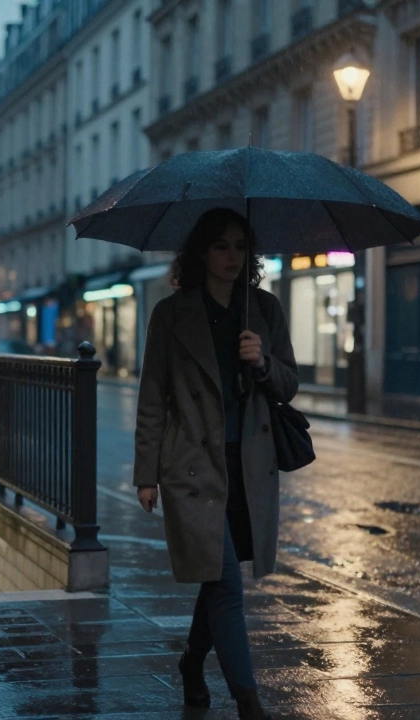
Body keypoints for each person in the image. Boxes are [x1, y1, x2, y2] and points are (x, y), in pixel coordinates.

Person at [132, 208, 298, 719]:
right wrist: (146, 474)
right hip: (191, 467)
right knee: (224, 582)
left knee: (216, 575)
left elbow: (290, 384)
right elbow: (153, 397)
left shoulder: (264, 311)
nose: (232, 256)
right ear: (201, 253)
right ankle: (249, 701)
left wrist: (264, 362)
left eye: (240, 247)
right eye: (222, 246)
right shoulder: (171, 313)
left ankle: (191, 661)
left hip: (248, 466)